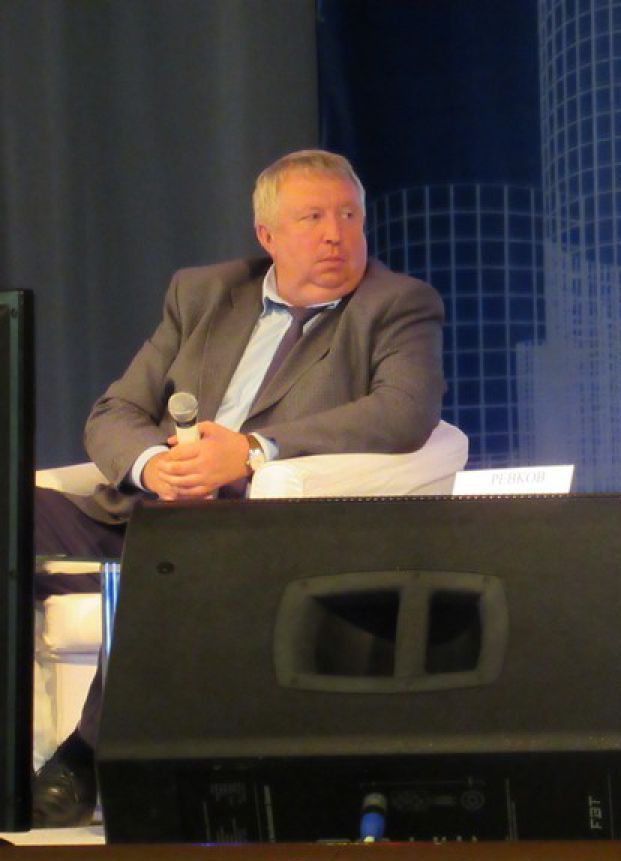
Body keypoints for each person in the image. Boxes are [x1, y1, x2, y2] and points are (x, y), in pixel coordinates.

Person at [31, 149, 446, 827]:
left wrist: (251, 453)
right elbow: (115, 413)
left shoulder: (396, 305)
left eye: (349, 216)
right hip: (145, 504)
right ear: (267, 235)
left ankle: (83, 756)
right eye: (313, 218)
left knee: (175, 552)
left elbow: (405, 413)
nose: (336, 234)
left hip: (250, 526)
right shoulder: (203, 294)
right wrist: (152, 466)